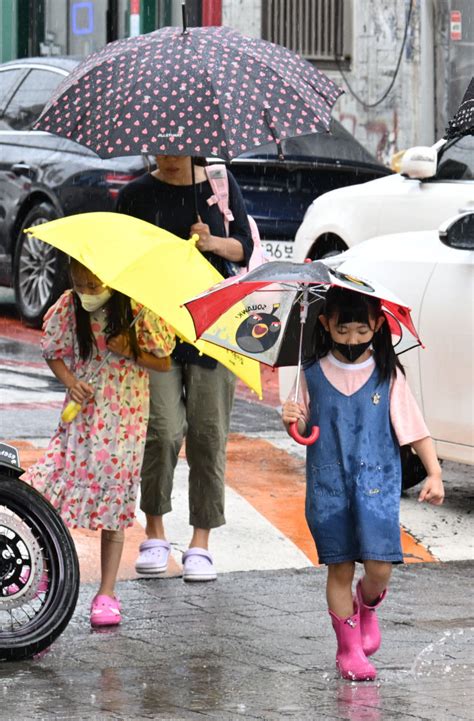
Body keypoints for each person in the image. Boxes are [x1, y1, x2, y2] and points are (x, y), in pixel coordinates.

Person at [281, 287, 444, 681]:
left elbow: (415, 430)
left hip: (377, 490)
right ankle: (348, 649)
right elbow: (303, 428)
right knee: (338, 567)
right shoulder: (311, 373)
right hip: (328, 489)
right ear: (324, 325)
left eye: (361, 331)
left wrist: (434, 473)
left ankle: (366, 606)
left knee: (379, 569)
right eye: (343, 331)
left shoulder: (388, 376)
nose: (352, 340)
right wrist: (292, 419)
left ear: (376, 325)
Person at [116, 155, 253, 582]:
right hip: (155, 327)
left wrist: (211, 242)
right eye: (160, 148)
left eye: (177, 148)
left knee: (208, 436)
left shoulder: (218, 183)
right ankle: (154, 532)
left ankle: (200, 542)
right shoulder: (135, 195)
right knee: (161, 432)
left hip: (214, 325)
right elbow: (118, 265)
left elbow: (244, 248)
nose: (169, 156)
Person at [23, 259, 175, 627]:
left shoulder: (137, 309)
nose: (88, 293)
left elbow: (164, 362)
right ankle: (47, 575)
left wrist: (130, 350)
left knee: (114, 503)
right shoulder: (68, 306)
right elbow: (53, 352)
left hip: (123, 422)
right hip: (82, 420)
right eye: (81, 284)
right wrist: (70, 380)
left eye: (94, 285)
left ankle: (107, 592)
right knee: (53, 494)